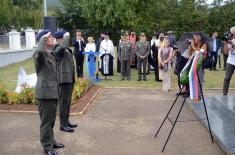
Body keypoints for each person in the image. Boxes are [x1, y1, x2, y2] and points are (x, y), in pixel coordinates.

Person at [34, 30, 64, 155]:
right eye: (50, 37)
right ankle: (47, 147)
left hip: (52, 92)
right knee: (46, 122)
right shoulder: (39, 55)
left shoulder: (50, 55)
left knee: (51, 120)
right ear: (44, 40)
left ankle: (51, 141)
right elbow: (40, 51)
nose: (52, 38)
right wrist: (43, 38)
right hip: (45, 94)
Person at [53, 30, 77, 133]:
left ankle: (66, 121)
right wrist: (66, 38)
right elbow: (61, 49)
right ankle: (62, 125)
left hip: (69, 78)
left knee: (67, 102)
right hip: (63, 79)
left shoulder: (65, 49)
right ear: (60, 39)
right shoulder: (57, 48)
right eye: (64, 38)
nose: (65, 40)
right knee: (63, 102)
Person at [188, 33, 207, 99]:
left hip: (199, 64)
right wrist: (190, 46)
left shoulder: (203, 45)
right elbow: (189, 54)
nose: (193, 40)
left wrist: (193, 46)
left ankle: (199, 94)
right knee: (192, 78)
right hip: (193, 64)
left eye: (194, 39)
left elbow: (200, 54)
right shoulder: (193, 45)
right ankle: (192, 93)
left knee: (199, 80)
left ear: (198, 38)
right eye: (193, 39)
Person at [223, 26, 235, 95]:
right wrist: (226, 43)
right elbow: (226, 52)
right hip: (230, 61)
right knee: (227, 77)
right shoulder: (229, 40)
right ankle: (225, 93)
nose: (233, 35)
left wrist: (233, 45)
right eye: (232, 34)